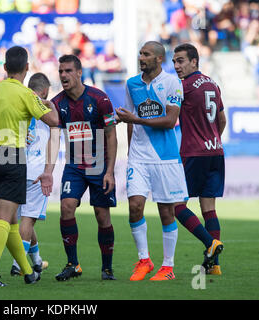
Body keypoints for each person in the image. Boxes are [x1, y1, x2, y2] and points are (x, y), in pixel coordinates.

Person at [0, 46, 59, 287]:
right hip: (12, 156)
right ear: (27, 68)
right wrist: (47, 104)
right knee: (3, 218)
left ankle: (28, 272)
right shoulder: (26, 94)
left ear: (4, 68)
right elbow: (53, 122)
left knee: (11, 219)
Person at [36, 54, 118, 281]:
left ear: (79, 72)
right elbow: (54, 138)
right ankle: (73, 264)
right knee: (66, 207)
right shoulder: (57, 103)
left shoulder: (100, 99)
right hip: (74, 165)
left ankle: (107, 268)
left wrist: (110, 171)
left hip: (99, 165)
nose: (63, 75)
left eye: (68, 71)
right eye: (61, 71)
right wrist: (48, 171)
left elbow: (111, 135)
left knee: (102, 216)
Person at [115, 41, 187, 281]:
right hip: (138, 157)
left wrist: (136, 120)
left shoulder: (172, 83)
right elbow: (128, 119)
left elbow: (169, 121)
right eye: (140, 54)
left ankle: (168, 267)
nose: (141, 58)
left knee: (167, 212)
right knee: (134, 207)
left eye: (146, 54)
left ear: (158, 59)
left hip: (165, 157)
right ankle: (144, 260)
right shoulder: (131, 84)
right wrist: (129, 152)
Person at [172, 43, 225, 275]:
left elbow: (169, 117)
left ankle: (210, 244)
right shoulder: (212, 83)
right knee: (209, 208)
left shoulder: (183, 87)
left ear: (194, 61)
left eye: (181, 60)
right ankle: (215, 266)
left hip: (194, 153)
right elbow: (221, 120)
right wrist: (212, 139)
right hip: (216, 152)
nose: (176, 66)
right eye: (174, 61)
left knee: (177, 205)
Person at [9, 72, 54, 277]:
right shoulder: (45, 108)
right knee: (28, 219)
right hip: (36, 173)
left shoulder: (18, 104)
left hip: (17, 169)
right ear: (44, 91)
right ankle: (19, 265)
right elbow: (56, 124)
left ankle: (36, 261)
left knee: (26, 218)